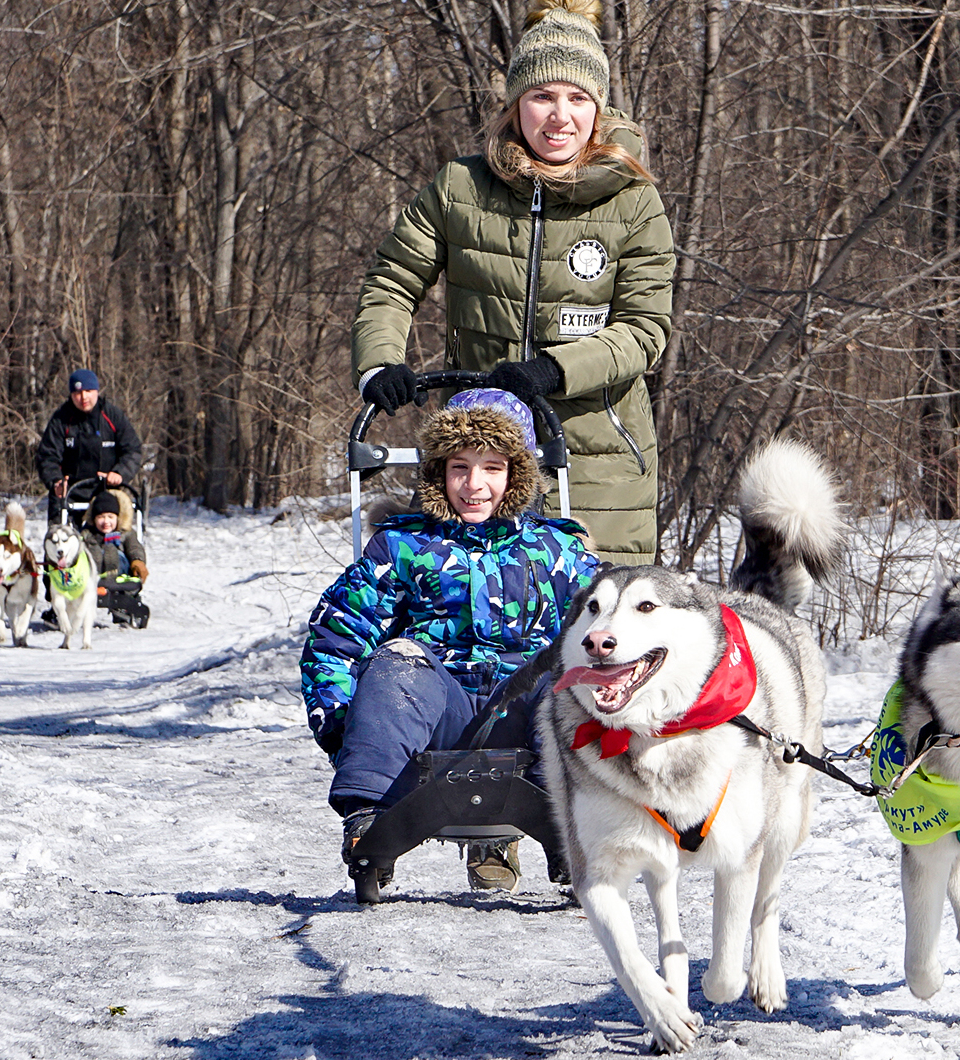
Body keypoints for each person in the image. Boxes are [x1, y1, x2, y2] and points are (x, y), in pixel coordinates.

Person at [350, 0, 674, 566]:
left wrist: (555, 367)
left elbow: (644, 331)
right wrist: (380, 362)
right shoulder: (460, 188)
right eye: (542, 96)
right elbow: (392, 281)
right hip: (480, 461)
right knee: (471, 624)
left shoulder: (634, 201)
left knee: (591, 636)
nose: (560, 116)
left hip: (599, 461)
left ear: (598, 107)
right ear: (516, 103)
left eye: (578, 98)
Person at [302, 389, 598, 891]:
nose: (474, 485)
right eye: (459, 466)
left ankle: (577, 827)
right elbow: (338, 635)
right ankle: (369, 820)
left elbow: (610, 626)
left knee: (567, 671)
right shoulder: (403, 546)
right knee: (397, 659)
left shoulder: (557, 551)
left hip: (528, 719)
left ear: (517, 475)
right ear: (439, 471)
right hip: (436, 712)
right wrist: (345, 727)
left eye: (492, 468)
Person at [34, 369, 143, 522]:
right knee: (59, 538)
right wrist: (55, 480)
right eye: (77, 393)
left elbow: (132, 449)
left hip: (106, 493)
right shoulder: (61, 419)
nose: (83, 397)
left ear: (96, 391)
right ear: (71, 395)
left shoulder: (113, 416)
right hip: (69, 493)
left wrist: (120, 473)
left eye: (88, 391)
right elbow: (47, 455)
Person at [84, 490, 148, 582]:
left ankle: (112, 569)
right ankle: (96, 571)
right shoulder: (88, 534)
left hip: (120, 573)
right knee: (91, 552)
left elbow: (134, 548)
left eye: (110, 517)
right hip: (92, 573)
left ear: (118, 518)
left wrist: (137, 561)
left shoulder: (126, 533)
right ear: (94, 520)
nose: (106, 521)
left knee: (116, 554)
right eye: (101, 517)